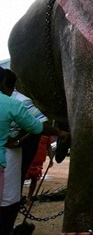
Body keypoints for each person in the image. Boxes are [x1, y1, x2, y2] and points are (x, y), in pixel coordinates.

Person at [0, 68, 67, 233]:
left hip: (9, 156)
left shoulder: (17, 101)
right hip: (6, 159)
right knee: (8, 199)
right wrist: (60, 133)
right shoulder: (13, 103)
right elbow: (37, 125)